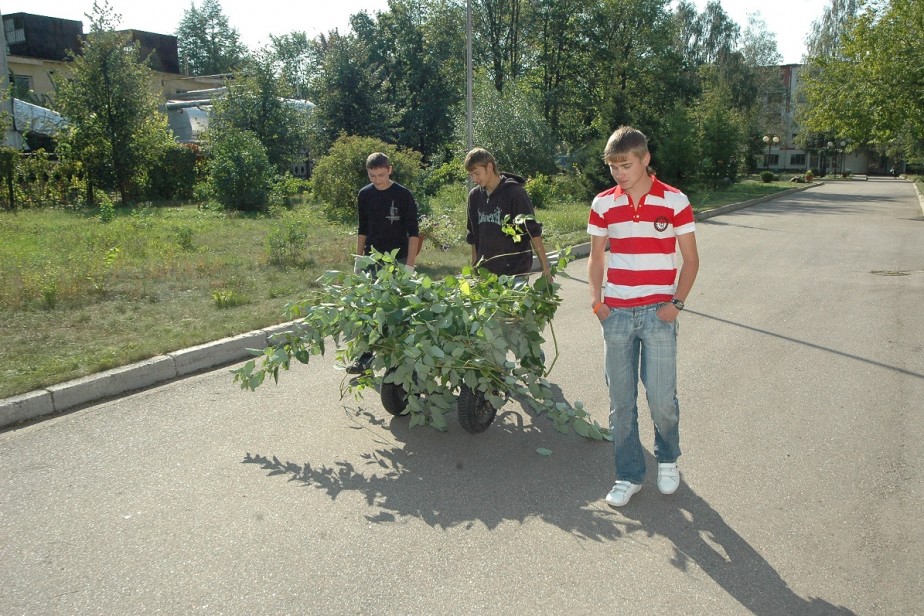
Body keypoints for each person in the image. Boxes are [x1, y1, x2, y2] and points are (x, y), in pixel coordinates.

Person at [586, 126, 700, 507]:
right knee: (621, 403)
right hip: (616, 314)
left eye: (626, 165)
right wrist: (597, 302)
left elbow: (691, 260)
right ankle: (628, 474)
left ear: (645, 159)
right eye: (613, 166)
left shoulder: (675, 200)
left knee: (662, 398)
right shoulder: (603, 203)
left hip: (658, 315)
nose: (619, 173)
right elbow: (596, 258)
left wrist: (676, 304)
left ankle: (667, 459)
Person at [347, 152, 421, 374]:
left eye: (381, 175)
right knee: (369, 309)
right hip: (372, 259)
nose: (377, 180)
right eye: (372, 176)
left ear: (390, 170)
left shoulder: (403, 195)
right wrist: (358, 260)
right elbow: (362, 228)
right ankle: (365, 357)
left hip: (398, 260)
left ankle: (399, 358)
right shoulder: (365, 195)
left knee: (397, 310)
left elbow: (414, 233)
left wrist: (409, 266)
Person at [464, 148, 551, 280]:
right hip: (486, 275)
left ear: (489, 167)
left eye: (477, 173)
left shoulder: (515, 193)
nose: (474, 179)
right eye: (471, 175)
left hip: (515, 273)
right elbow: (473, 236)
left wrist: (546, 269)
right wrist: (475, 268)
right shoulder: (474, 196)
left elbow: (532, 232)